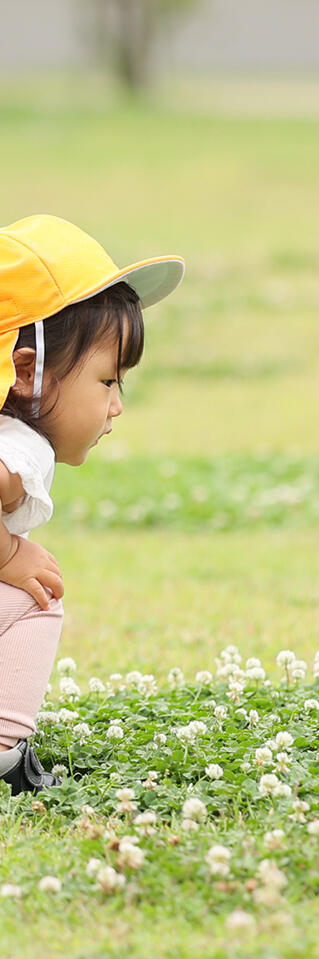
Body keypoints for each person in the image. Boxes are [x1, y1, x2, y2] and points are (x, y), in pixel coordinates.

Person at [0, 214, 183, 794]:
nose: (116, 405)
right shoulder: (14, 453)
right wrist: (7, 553)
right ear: (26, 372)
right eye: (108, 381)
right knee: (38, 597)